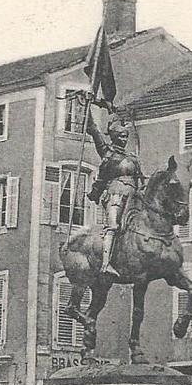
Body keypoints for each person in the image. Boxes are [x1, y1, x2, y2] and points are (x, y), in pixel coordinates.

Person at [86, 108, 144, 276]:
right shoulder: (107, 152)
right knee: (113, 226)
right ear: (114, 136)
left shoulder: (133, 157)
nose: (124, 139)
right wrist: (87, 108)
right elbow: (94, 130)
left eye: (126, 136)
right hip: (115, 194)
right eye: (121, 136)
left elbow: (141, 179)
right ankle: (106, 264)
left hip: (133, 196)